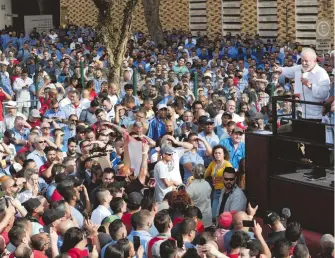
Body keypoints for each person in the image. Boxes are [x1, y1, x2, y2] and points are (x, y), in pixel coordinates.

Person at [273, 48, 330, 120]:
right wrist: (280, 69)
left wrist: (310, 86)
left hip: (316, 116)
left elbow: (324, 93)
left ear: (314, 61)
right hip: (301, 114)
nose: (303, 63)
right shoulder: (300, 68)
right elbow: (290, 70)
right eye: (302, 60)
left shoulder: (321, 73)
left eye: (306, 61)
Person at [204, 145, 232, 220]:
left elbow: (231, 178)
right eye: (216, 153)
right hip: (216, 191)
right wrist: (193, 177)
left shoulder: (227, 164)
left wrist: (221, 179)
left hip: (225, 191)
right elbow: (204, 174)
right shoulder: (213, 164)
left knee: (223, 214)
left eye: (219, 153)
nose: (217, 155)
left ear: (224, 154)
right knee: (214, 215)